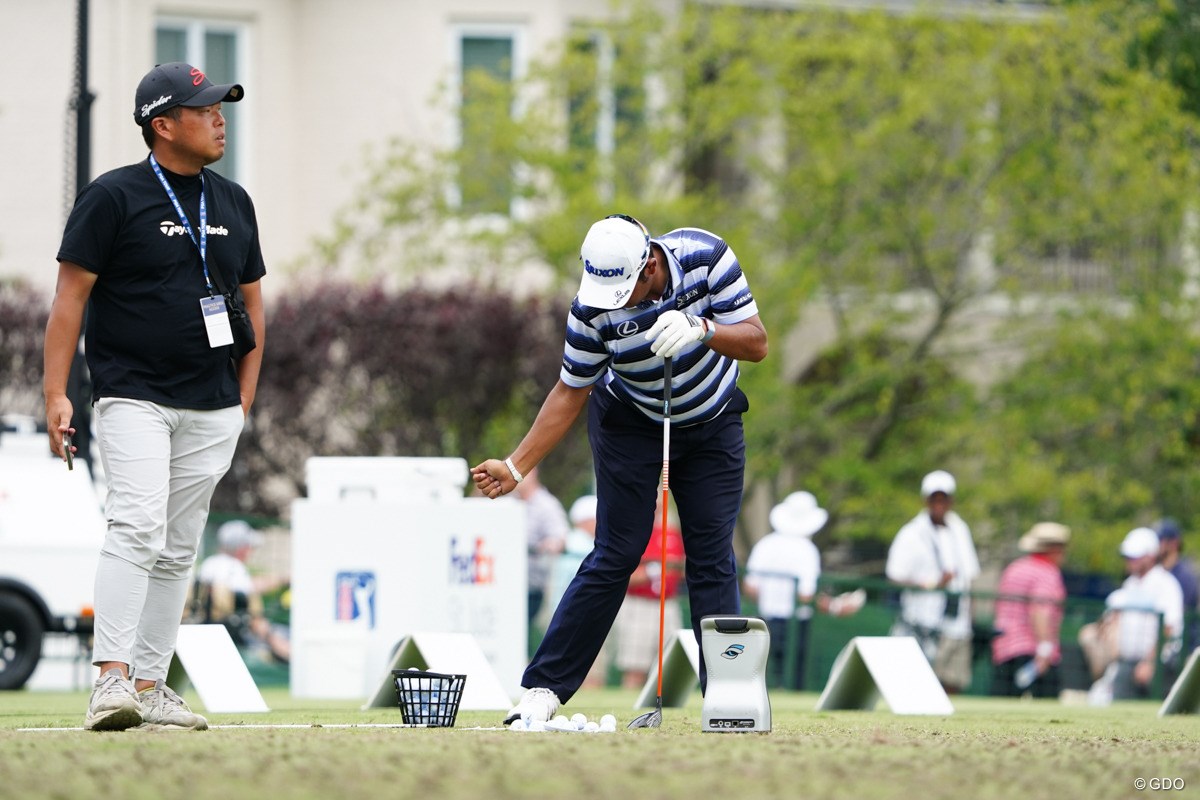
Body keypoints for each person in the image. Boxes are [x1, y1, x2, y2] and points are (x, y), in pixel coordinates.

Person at [471, 213, 768, 724]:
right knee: (616, 552)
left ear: (650, 266)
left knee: (711, 555)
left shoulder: (706, 256)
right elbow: (570, 390)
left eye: (625, 290)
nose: (614, 304)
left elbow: (757, 342)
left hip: (713, 421)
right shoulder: (590, 307)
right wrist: (517, 468)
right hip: (630, 423)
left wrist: (703, 328)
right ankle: (543, 690)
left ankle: (728, 697)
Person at [43, 62, 266, 731]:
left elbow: (252, 299)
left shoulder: (234, 201)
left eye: (221, 106)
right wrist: (56, 392)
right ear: (162, 125)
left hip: (214, 403)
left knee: (177, 548)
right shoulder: (112, 197)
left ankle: (150, 683)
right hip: (133, 396)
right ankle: (110, 682)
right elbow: (68, 299)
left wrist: (243, 398)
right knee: (136, 527)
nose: (220, 116)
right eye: (205, 109)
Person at [743, 490, 864, 691]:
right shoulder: (807, 550)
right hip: (795, 624)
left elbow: (751, 587)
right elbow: (806, 595)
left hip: (764, 620)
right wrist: (834, 606)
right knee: (793, 678)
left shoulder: (765, 545)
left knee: (763, 675)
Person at [885, 469, 980, 693]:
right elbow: (895, 576)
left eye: (943, 498)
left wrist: (971, 616)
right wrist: (932, 584)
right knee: (919, 680)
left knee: (953, 680)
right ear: (925, 500)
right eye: (934, 498)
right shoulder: (911, 533)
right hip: (922, 618)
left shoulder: (960, 529)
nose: (939, 504)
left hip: (957, 620)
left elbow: (970, 575)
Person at [990, 522, 1071, 698]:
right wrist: (1044, 649)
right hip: (1032, 650)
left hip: (1004, 648)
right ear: (1054, 549)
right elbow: (1040, 610)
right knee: (1049, 708)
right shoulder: (1047, 572)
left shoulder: (1014, 568)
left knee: (1001, 706)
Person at [612, 496, 685, 690]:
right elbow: (623, 575)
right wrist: (653, 571)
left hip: (668, 603)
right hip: (639, 604)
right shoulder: (631, 531)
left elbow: (681, 569)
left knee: (670, 666)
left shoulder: (672, 533)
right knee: (635, 667)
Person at [1102, 527, 1184, 700]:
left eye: (1135, 557)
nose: (1130, 561)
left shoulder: (1166, 584)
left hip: (1158, 667)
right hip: (1126, 664)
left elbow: (1169, 627)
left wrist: (1149, 662)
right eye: (1128, 557)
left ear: (1150, 556)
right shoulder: (1129, 585)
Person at [192, 520, 289, 665]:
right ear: (241, 548)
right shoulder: (233, 567)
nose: (250, 550)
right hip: (237, 629)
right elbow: (247, 591)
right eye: (249, 546)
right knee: (282, 633)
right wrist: (283, 579)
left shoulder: (209, 564)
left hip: (206, 625)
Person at [514, 465, 569, 640]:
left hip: (532, 588)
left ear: (534, 472)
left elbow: (559, 539)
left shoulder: (547, 505)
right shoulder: (507, 502)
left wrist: (544, 546)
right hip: (503, 584)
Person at [1154, 518, 1199, 693]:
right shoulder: (1157, 572)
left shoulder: (1185, 576)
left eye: (1161, 540)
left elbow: (1180, 618)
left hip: (1185, 644)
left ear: (1174, 543)